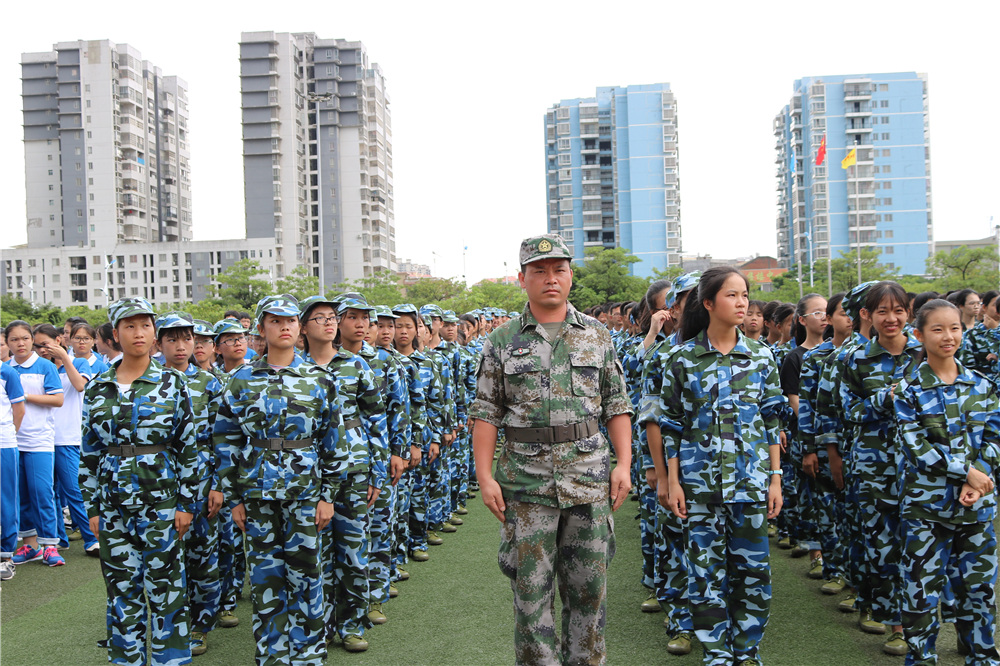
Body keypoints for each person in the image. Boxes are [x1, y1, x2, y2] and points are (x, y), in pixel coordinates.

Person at [470, 234, 634, 665]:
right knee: (530, 597)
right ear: (522, 278)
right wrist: (485, 477)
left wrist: (625, 464)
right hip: (526, 484)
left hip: (588, 479)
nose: (550, 279)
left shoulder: (596, 335)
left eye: (558, 270)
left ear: (570, 276)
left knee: (589, 595)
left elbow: (617, 404)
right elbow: (486, 413)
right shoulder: (502, 340)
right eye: (539, 271)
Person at [653, 267, 784, 666]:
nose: (742, 303)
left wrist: (775, 478)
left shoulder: (761, 356)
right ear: (708, 303)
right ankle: (717, 652)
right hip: (699, 485)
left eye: (745, 295)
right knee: (705, 573)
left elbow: (772, 421)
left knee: (753, 574)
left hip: (751, 482)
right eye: (732, 295)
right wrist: (672, 481)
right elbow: (670, 425)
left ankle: (747, 651)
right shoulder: (681, 358)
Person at [213, 294, 344, 666]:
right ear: (260, 329)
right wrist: (234, 497)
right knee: (266, 579)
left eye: (289, 320)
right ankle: (272, 653)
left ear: (299, 327)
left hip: (305, 493)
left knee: (307, 575)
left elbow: (334, 440)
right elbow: (225, 440)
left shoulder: (319, 378)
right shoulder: (239, 381)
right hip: (256, 495)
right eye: (274, 321)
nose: (284, 326)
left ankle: (308, 654)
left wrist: (328, 495)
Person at [80, 297, 198, 665]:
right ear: (115, 334)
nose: (139, 333)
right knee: (120, 593)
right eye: (129, 326)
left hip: (161, 506)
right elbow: (89, 453)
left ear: (154, 332)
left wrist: (185, 504)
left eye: (145, 325)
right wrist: (94, 508)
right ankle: (127, 659)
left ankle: (171, 660)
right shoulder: (98, 388)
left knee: (167, 591)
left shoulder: (173, 383)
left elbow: (188, 447)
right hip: (113, 508)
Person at [894, 299, 1000, 664]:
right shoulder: (907, 389)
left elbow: (995, 436)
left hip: (977, 508)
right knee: (921, 592)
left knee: (980, 591)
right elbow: (915, 447)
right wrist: (965, 473)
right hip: (926, 509)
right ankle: (922, 658)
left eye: (954, 328)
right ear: (919, 335)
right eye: (937, 329)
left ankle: (983, 656)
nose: (948, 336)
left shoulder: (982, 385)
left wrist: (979, 477)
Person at [840, 281, 920, 655]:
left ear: (909, 312)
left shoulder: (925, 353)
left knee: (919, 547)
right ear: (867, 315)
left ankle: (921, 619)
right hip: (874, 466)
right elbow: (849, 411)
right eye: (883, 311)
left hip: (924, 468)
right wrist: (885, 398)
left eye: (899, 310)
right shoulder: (855, 359)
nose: (892, 319)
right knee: (883, 546)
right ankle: (896, 624)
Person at [156, 311, 225, 657]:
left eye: (187, 339)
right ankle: (166, 623)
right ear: (160, 343)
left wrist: (218, 485)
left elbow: (222, 439)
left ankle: (201, 623)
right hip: (160, 485)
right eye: (172, 339)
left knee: (202, 555)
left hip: (201, 482)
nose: (181, 347)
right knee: (162, 558)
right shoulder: (150, 381)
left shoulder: (209, 383)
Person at [32, 323, 99, 555]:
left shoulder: (78, 362)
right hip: (42, 438)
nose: (43, 349)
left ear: (59, 340)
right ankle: (59, 538)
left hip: (68, 437)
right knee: (47, 492)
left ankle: (91, 538)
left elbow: (80, 386)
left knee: (73, 490)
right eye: (38, 346)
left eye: (46, 344)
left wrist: (64, 358)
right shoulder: (42, 368)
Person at [5, 320, 66, 567]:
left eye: (24, 338)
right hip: (10, 440)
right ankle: (29, 544)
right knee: (20, 495)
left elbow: (58, 399)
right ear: (7, 344)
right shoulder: (5, 368)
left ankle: (50, 545)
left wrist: (23, 396)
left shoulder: (44, 366)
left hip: (39, 439)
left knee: (42, 492)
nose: (20, 343)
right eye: (14, 340)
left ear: (32, 340)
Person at [0, 361, 26, 580]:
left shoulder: (7, 372)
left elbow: (19, 410)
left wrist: (8, 436)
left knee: (6, 498)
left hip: (3, 444)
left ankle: (6, 557)